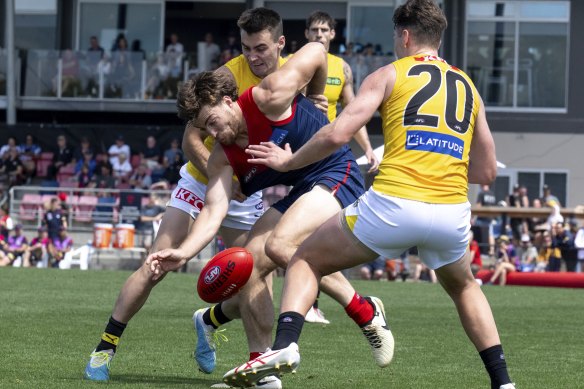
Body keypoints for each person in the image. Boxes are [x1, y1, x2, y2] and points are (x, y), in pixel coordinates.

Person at [229, 1, 515, 389]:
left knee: (303, 258)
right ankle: (503, 382)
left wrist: (288, 160)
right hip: (451, 212)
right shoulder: (468, 87)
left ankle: (285, 346)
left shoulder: (388, 74)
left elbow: (336, 134)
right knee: (464, 287)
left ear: (405, 35)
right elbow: (485, 171)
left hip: (395, 204)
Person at [152, 40, 391, 384]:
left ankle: (365, 312)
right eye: (206, 130)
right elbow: (214, 210)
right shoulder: (222, 155)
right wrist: (183, 252)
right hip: (302, 189)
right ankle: (263, 368)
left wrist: (315, 96)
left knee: (279, 246)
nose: (215, 134)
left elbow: (317, 51)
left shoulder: (270, 94)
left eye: (215, 122)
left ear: (228, 100)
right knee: (249, 262)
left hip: (336, 170)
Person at [84, 8, 279, 384]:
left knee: (257, 279)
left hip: (247, 189)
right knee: (155, 264)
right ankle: (105, 347)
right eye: (245, 48)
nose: (252, 57)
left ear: (279, 44)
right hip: (201, 179)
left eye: (260, 49)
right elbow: (191, 139)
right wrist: (218, 177)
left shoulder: (290, 79)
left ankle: (250, 358)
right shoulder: (224, 77)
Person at [303, 10, 380, 324]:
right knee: (304, 228)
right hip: (302, 152)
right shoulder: (296, 62)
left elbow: (353, 111)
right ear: (306, 33)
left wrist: (368, 148)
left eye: (325, 29)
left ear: (332, 35)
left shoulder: (342, 68)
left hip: (332, 155)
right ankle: (309, 301)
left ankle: (311, 300)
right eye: (314, 29)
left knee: (324, 229)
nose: (319, 34)